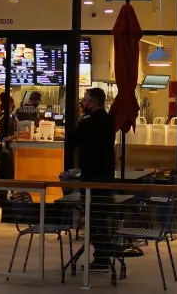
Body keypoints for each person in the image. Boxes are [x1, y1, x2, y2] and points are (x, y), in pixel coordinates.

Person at [72, 87, 116, 270]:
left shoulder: (87, 124)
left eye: (85, 100)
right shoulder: (109, 121)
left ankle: (101, 257)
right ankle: (103, 255)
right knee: (101, 218)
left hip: (91, 178)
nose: (83, 103)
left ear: (93, 103)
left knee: (93, 218)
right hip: (106, 176)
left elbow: (73, 141)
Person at [0, 91, 17, 206]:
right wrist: (15, 136)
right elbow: (4, 135)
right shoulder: (6, 118)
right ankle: (1, 196)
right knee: (5, 171)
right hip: (3, 147)